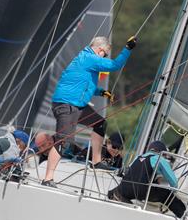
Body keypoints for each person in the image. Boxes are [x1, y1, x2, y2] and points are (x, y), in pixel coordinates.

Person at [42, 35, 136, 187]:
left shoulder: (85, 59)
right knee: (63, 141)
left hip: (77, 105)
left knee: (100, 123)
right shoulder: (89, 58)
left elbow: (83, 84)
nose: (104, 56)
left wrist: (101, 92)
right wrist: (127, 49)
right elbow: (114, 65)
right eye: (105, 54)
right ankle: (47, 178)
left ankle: (96, 162)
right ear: (100, 50)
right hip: (66, 105)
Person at [108, 140, 186, 218]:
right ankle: (183, 215)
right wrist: (174, 190)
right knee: (166, 194)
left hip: (124, 188)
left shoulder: (138, 157)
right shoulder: (159, 158)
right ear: (162, 152)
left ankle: (115, 195)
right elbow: (174, 183)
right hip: (141, 191)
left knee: (123, 189)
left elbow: (132, 172)